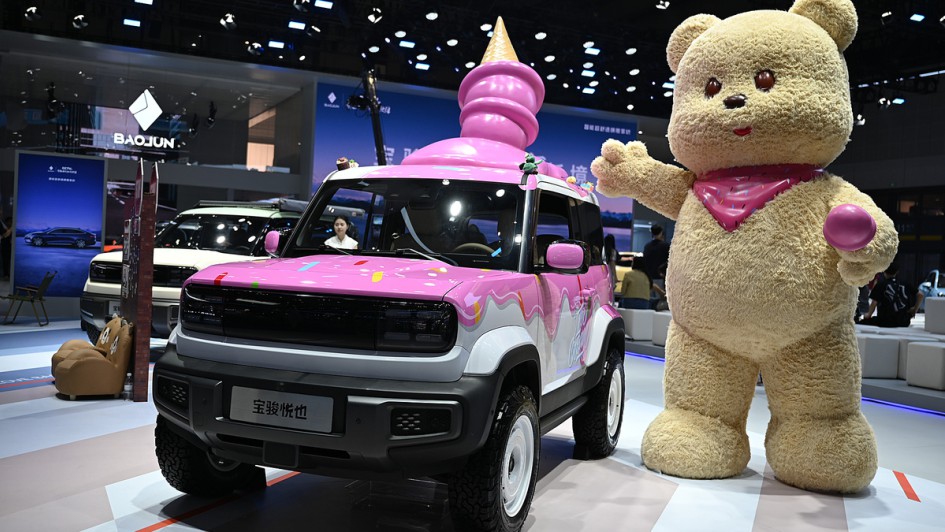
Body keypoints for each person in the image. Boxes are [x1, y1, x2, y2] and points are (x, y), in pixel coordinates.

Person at [859, 262, 924, 328]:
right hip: (904, 321)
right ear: (897, 271)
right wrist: (915, 309)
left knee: (861, 322)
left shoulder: (881, 284)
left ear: (884, 270)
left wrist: (867, 316)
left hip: (885, 321)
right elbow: (920, 295)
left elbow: (874, 303)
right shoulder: (905, 283)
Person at [640, 223, 670, 310]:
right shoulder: (665, 246)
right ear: (661, 233)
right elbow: (668, 261)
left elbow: (644, 261)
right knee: (659, 301)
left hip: (648, 277)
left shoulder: (647, 246)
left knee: (648, 300)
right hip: (660, 277)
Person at [604, 234, 618, 299]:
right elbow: (612, 264)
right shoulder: (612, 251)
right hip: (609, 274)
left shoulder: (602, 250)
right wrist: (615, 277)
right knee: (610, 294)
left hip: (602, 272)